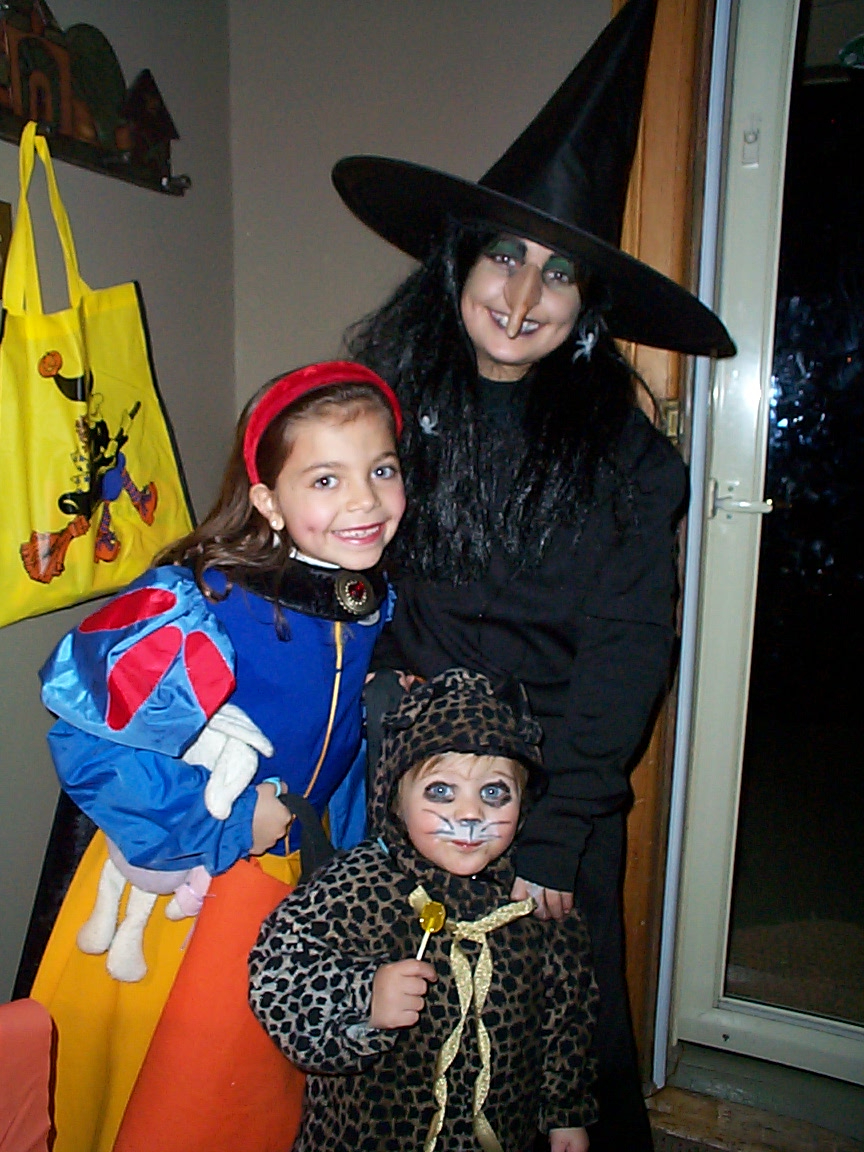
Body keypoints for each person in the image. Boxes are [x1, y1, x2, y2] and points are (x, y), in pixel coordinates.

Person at [330, 1, 736, 1147]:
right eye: (504, 255)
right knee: (406, 1034)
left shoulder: (626, 459)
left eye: (559, 274)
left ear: (588, 307)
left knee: (558, 1045)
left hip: (552, 789)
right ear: (459, 261)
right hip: (406, 772)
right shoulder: (383, 410)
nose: (520, 297)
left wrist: (558, 829)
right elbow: (333, 561)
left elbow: (629, 647)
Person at [29, 360, 406, 1152]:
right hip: (178, 887)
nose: (365, 501)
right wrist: (231, 824)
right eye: (326, 479)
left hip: (290, 888)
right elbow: (87, 739)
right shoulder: (205, 599)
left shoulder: (369, 601)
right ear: (267, 501)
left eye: (381, 470)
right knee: (165, 1105)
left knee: (254, 1105)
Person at [249, 667, 598, 1152]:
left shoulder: (530, 899)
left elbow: (567, 1015)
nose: (470, 814)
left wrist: (565, 1114)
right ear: (396, 799)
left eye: (494, 793)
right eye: (440, 792)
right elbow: (277, 975)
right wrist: (365, 996)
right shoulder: (358, 885)